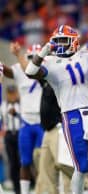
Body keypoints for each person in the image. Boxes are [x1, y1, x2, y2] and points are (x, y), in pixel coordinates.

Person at [25, 25, 88, 194]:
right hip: (71, 116)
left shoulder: (84, 55)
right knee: (81, 168)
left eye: (63, 41)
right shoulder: (50, 62)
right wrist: (44, 50)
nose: (59, 45)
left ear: (73, 41)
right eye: (57, 41)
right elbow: (30, 72)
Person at [0, 42, 44, 194]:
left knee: (43, 162)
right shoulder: (19, 69)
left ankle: (44, 189)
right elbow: (6, 71)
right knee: (24, 161)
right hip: (26, 122)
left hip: (43, 122)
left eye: (36, 58)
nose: (34, 61)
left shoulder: (46, 70)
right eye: (31, 57)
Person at [1, 85, 21, 194]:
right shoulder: (3, 105)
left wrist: (16, 114)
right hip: (9, 135)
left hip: (20, 134)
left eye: (13, 93)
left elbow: (24, 119)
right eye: (10, 93)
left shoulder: (21, 105)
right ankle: (16, 189)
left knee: (21, 161)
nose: (12, 96)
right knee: (12, 162)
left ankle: (25, 186)